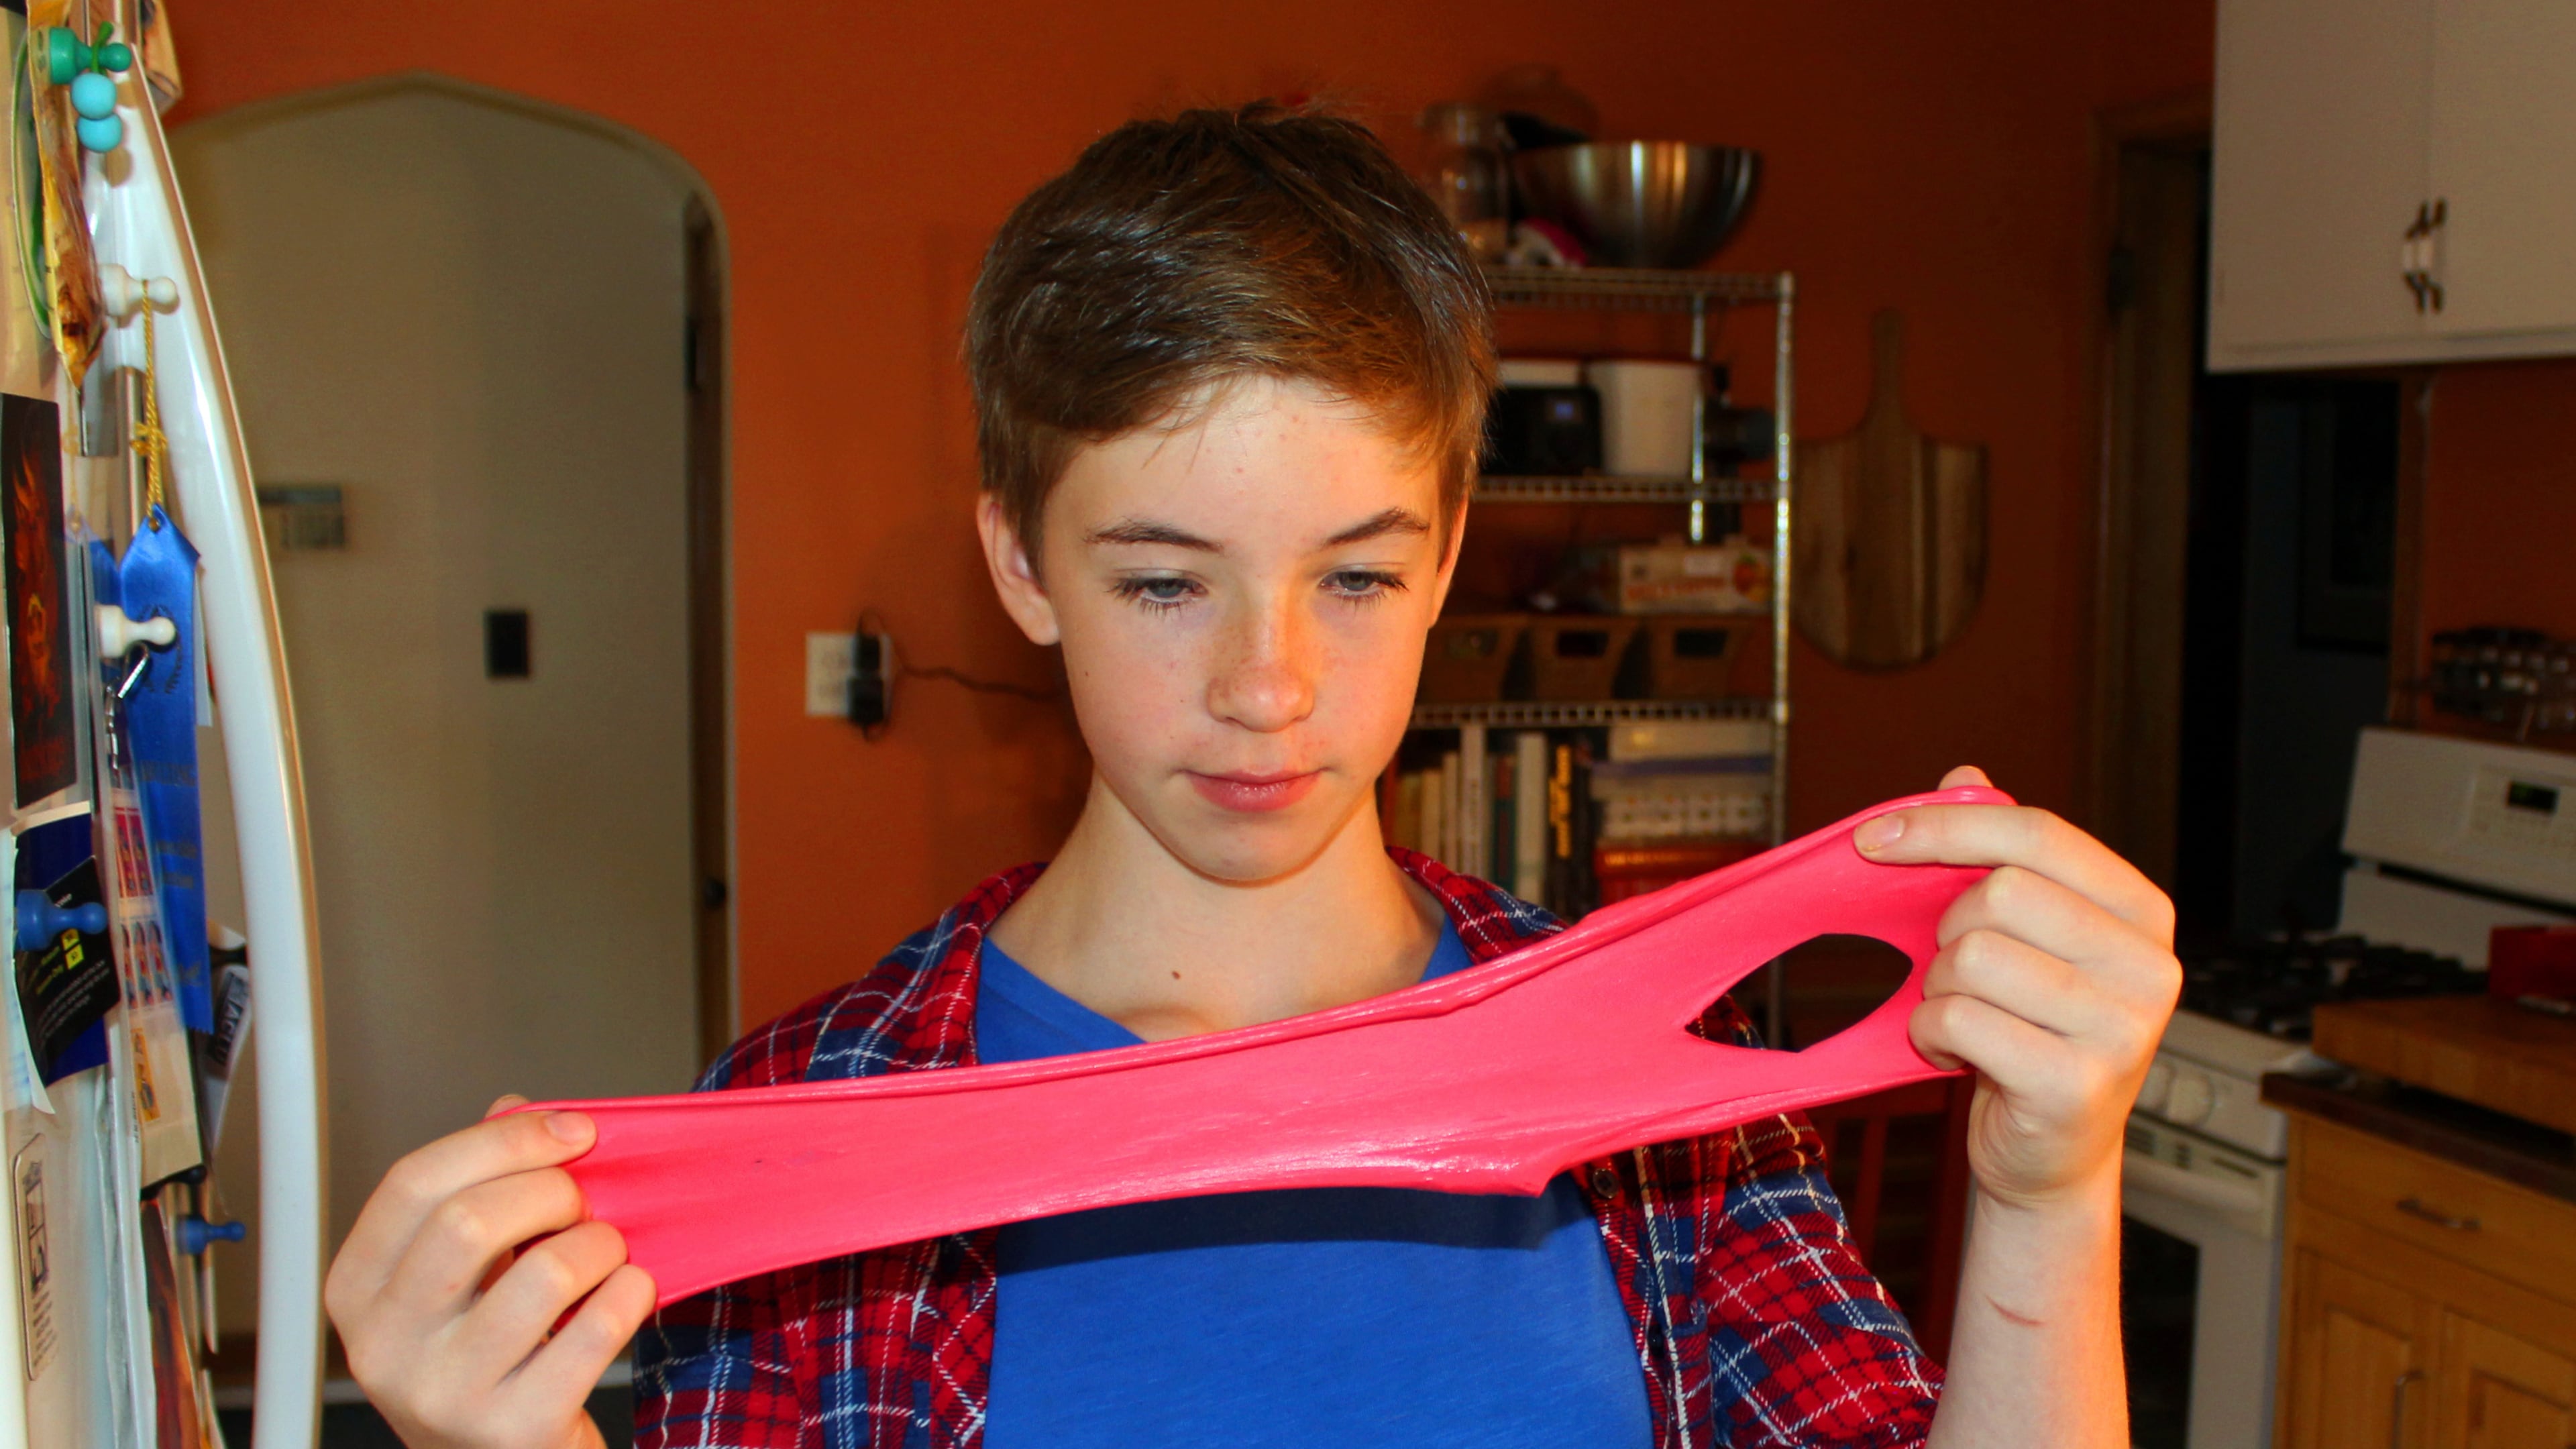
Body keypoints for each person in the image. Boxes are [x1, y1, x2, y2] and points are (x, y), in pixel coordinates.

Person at [323, 104, 2180, 1449]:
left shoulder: (1658, 1095)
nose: (1268, 687)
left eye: (1355, 575)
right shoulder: (823, 1123)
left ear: (1451, 556)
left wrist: (2049, 1184)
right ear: (1021, 565)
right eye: (1162, 580)